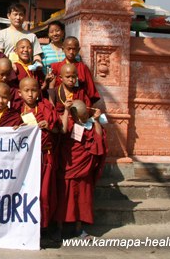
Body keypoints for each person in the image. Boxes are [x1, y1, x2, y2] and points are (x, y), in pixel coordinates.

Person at [55, 99, 106, 240]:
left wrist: (95, 120)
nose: (83, 120)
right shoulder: (68, 123)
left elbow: (98, 139)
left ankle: (79, 228)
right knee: (62, 198)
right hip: (67, 167)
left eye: (85, 117)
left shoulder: (87, 125)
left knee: (83, 199)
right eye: (81, 117)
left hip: (83, 169)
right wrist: (66, 111)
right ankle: (59, 229)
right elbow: (63, 130)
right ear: (73, 116)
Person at [17, 77, 59, 229]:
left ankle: (43, 227)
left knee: (44, 193)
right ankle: (23, 226)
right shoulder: (16, 109)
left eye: (34, 90)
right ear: (19, 93)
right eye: (26, 91)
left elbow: (58, 129)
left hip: (44, 156)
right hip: (23, 159)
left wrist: (49, 126)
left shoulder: (45, 106)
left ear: (39, 91)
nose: (30, 94)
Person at [50, 37, 100, 105]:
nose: (71, 52)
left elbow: (91, 92)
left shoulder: (83, 68)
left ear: (78, 50)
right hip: (60, 104)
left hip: (79, 105)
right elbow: (51, 89)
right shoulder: (56, 67)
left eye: (74, 49)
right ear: (63, 49)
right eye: (69, 49)